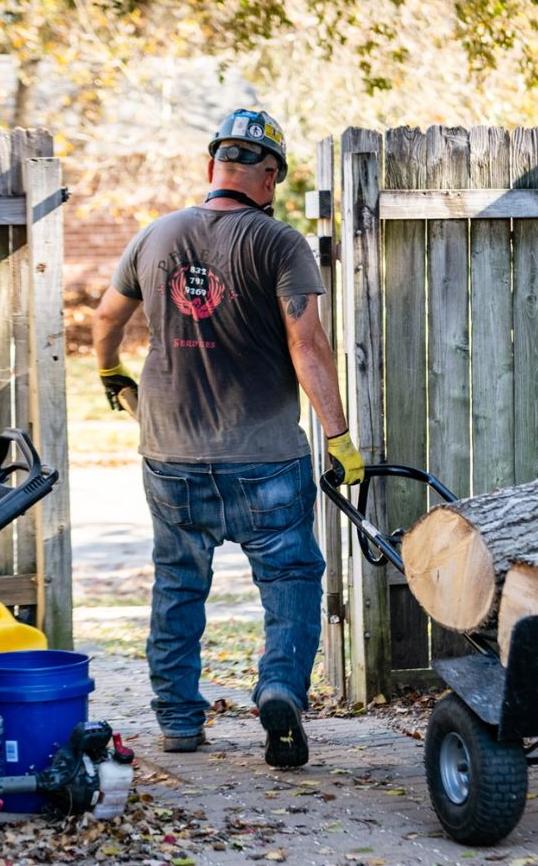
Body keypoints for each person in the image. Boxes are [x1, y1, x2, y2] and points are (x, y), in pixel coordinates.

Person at [91, 108, 363, 769]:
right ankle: (278, 689)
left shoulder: (155, 236)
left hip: (171, 453)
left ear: (211, 167)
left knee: (178, 583)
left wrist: (110, 374)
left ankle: (179, 723)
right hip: (263, 456)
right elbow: (310, 344)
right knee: (292, 574)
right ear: (267, 175)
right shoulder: (278, 242)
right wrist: (340, 438)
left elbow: (106, 317)